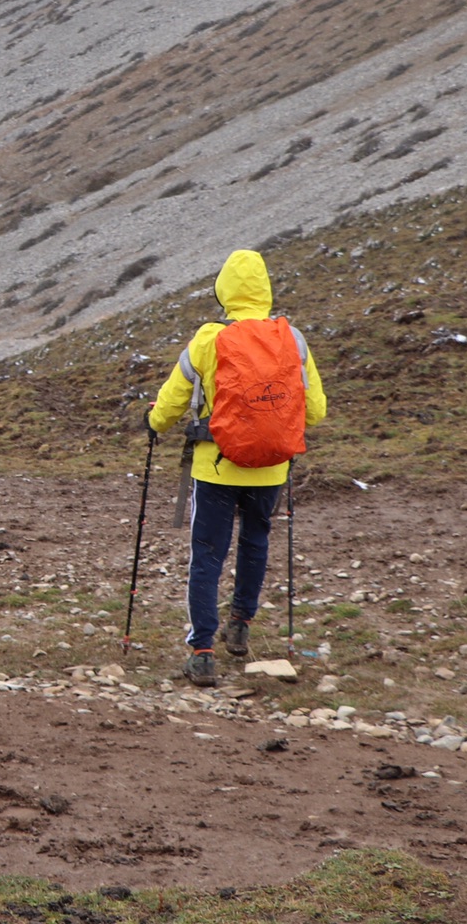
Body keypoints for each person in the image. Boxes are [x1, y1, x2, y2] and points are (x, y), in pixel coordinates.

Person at [146, 249, 325, 688]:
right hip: (271, 466)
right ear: (264, 288)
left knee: (207, 554)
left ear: (224, 289)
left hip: (217, 468)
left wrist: (154, 422)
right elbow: (315, 411)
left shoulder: (208, 338)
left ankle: (202, 650)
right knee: (255, 541)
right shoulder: (293, 340)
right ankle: (241, 624)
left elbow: (171, 400)